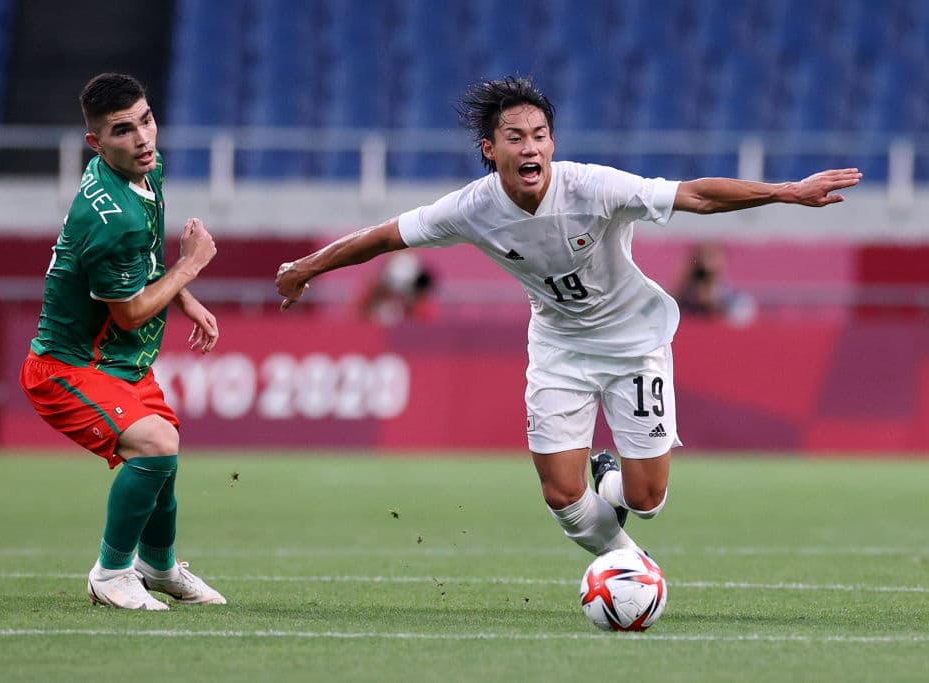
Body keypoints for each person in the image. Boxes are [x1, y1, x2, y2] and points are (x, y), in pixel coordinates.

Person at [275, 76, 861, 559]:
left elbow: (696, 196)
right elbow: (382, 238)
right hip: (560, 348)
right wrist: (306, 266)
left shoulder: (593, 187)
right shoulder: (470, 208)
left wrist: (786, 191)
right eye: (515, 138)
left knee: (648, 497)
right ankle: (630, 569)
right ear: (490, 149)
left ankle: (615, 486)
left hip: (635, 344)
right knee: (561, 493)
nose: (530, 148)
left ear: (552, 143)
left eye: (540, 136)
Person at [19, 73, 226, 610]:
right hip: (68, 367)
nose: (143, 138)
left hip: (119, 362)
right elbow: (131, 313)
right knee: (155, 444)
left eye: (146, 120)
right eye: (122, 130)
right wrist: (191, 267)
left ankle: (157, 567)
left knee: (165, 451)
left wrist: (184, 297)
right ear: (95, 142)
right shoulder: (111, 217)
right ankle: (111, 573)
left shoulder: (145, 172)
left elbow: (145, 264)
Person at [675, 242, 756, 325]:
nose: (708, 261)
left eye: (711, 255)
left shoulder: (736, 299)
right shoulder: (685, 292)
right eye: (705, 255)